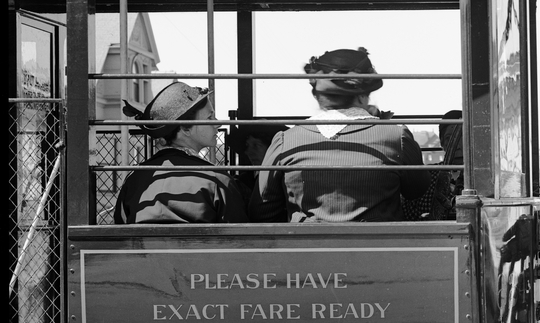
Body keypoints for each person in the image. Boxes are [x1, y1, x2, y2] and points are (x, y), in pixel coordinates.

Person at [249, 47, 433, 223]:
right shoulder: (396, 136)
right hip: (379, 251)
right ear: (362, 95)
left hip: (305, 251)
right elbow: (417, 190)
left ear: (318, 96)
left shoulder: (285, 141)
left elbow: (262, 211)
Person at [115, 82, 247, 224]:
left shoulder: (133, 180)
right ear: (185, 128)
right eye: (209, 117)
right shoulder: (218, 181)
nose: (217, 124)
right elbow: (239, 238)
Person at [227, 120, 289, 196]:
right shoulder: (241, 183)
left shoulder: (286, 179)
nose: (248, 152)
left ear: (272, 147)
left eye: (256, 145)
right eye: (247, 145)